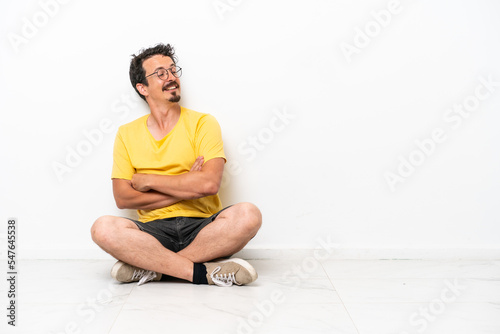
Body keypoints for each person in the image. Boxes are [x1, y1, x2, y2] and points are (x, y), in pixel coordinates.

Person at [90, 43, 262, 287]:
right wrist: (187, 186)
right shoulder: (126, 133)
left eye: (172, 70)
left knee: (248, 215)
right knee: (103, 228)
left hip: (202, 227)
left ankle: (153, 268)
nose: (171, 77)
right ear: (142, 88)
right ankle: (203, 273)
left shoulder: (203, 123)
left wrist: (148, 180)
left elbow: (209, 184)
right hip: (152, 232)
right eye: (160, 73)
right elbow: (123, 198)